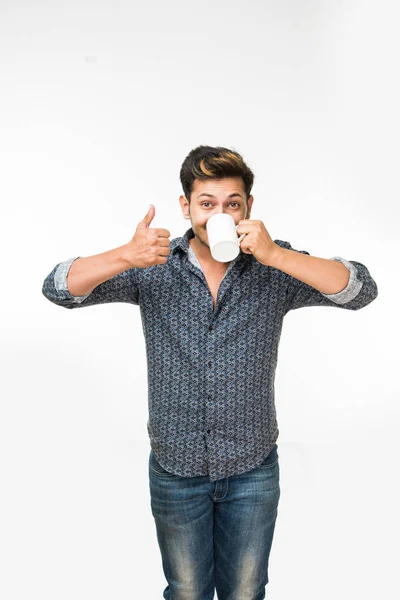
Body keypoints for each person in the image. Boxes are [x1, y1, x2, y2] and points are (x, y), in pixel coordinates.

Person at [42, 145, 378, 600]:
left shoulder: (273, 266)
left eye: (231, 203)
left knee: (245, 591)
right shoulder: (152, 266)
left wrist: (277, 255)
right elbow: (58, 289)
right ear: (187, 206)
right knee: (185, 591)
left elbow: (360, 290)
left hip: (251, 466)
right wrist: (125, 254)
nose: (219, 213)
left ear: (248, 208)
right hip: (175, 468)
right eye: (207, 203)